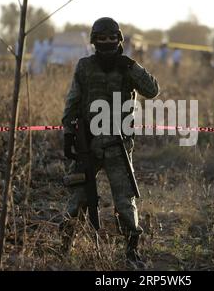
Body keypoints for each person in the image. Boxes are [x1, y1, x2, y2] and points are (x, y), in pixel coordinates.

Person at [60, 17, 160, 266]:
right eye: (102, 39)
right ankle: (64, 247)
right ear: (94, 41)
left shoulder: (127, 67)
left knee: (125, 202)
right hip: (89, 144)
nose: (107, 43)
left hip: (118, 145)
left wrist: (132, 66)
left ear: (119, 41)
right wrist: (68, 133)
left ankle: (131, 250)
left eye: (112, 39)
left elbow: (152, 90)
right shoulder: (84, 67)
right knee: (77, 199)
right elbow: (73, 100)